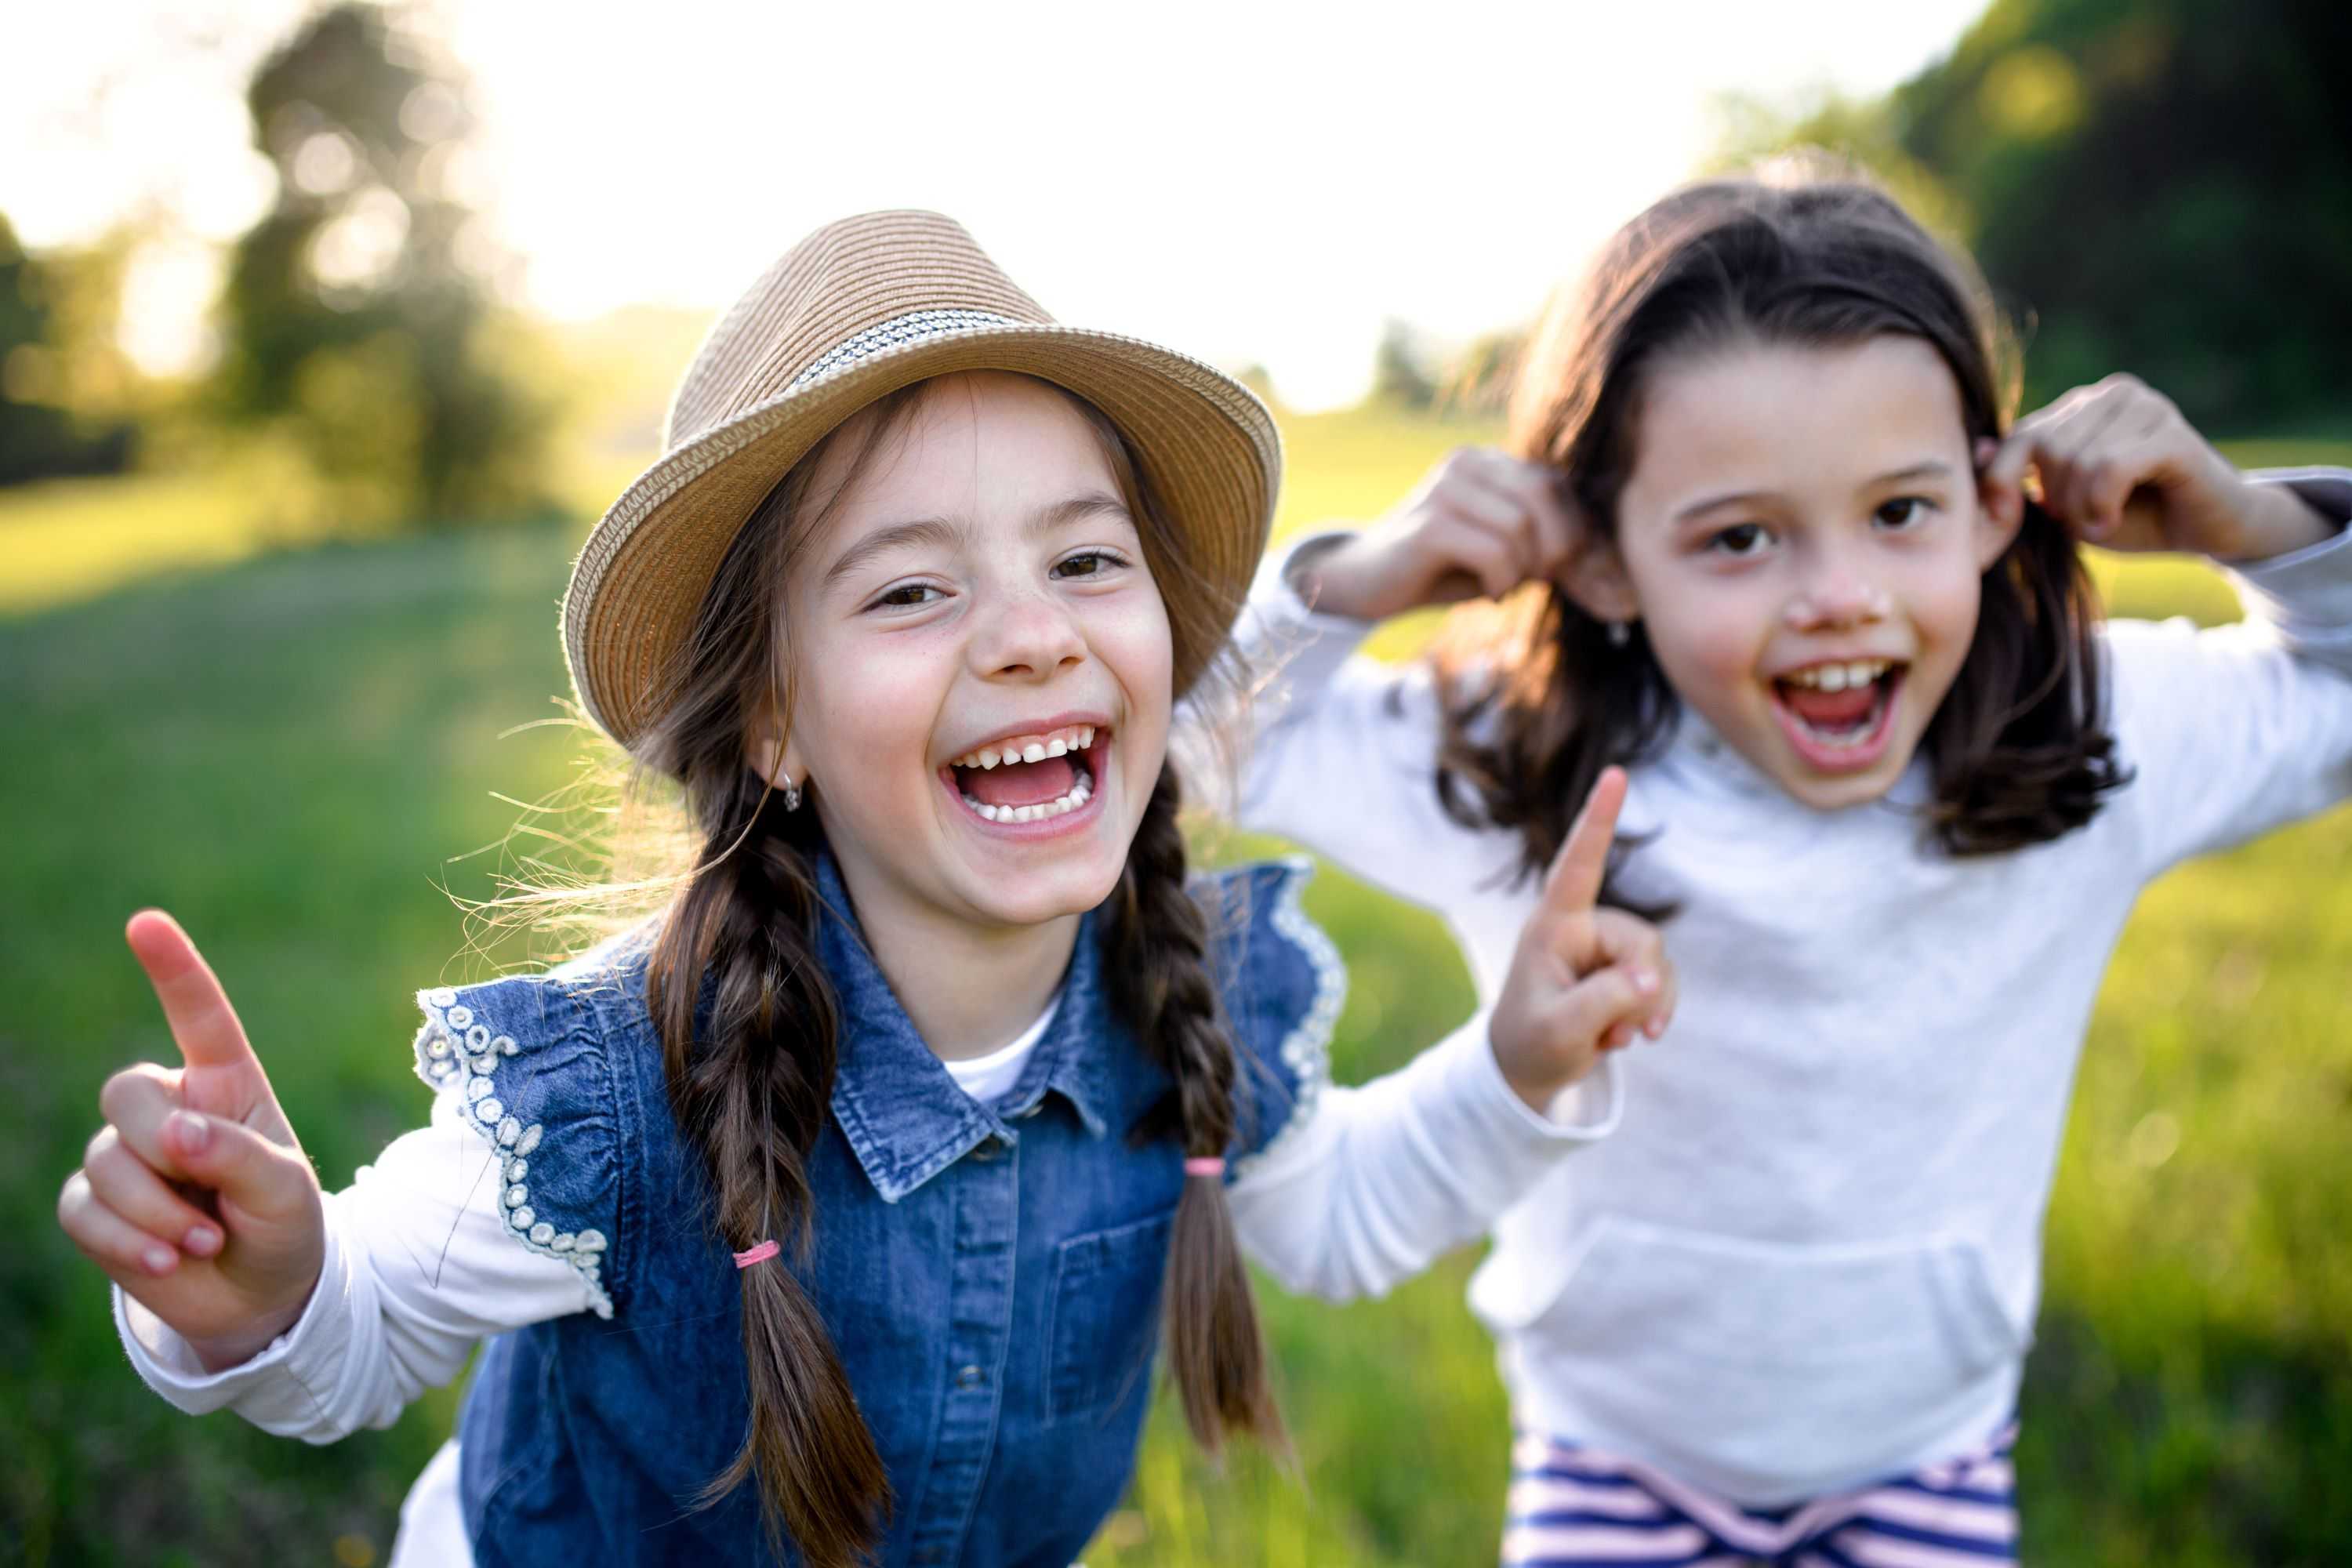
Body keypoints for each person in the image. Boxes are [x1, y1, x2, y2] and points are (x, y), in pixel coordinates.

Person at [56, 211, 1678, 1568]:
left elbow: (1333, 1216)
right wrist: (261, 1294)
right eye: (913, 587)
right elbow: (360, 1332)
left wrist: (1517, 1069)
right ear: (772, 720)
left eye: (1087, 560)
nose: (1033, 630)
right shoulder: (624, 1084)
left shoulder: (1181, 1004)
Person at [1227, 157, 2352, 1564]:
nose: (1837, 597)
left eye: (1900, 512)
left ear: (1998, 506)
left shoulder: (2088, 736)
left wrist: (2251, 526)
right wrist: (1355, 583)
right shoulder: (1515, 762)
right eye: (1740, 537)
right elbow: (1186, 746)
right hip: (1613, 1461)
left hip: (1923, 1463)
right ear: (1602, 561)